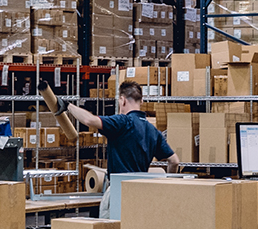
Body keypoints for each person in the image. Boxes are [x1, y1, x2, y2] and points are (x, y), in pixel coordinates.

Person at [63, 80, 180, 218]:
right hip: (141, 194)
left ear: (123, 100)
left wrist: (68, 106)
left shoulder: (122, 123)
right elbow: (174, 161)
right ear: (141, 101)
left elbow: (89, 120)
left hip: (118, 191)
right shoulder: (153, 131)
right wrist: (166, 184)